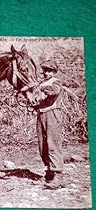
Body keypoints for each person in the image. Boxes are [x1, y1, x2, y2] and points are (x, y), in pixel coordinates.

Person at [36, 60, 65, 189]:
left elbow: (53, 91)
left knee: (53, 144)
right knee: (42, 145)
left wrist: (39, 89)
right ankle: (49, 170)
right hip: (41, 114)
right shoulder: (42, 83)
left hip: (52, 114)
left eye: (49, 70)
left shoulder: (55, 82)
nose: (46, 73)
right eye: (45, 70)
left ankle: (58, 176)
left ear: (54, 72)